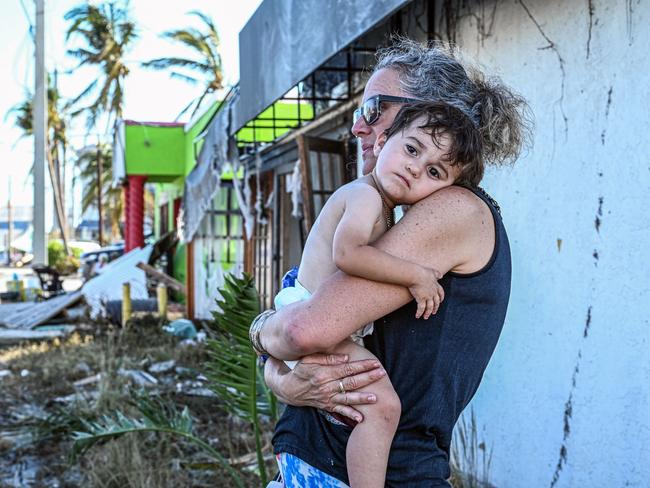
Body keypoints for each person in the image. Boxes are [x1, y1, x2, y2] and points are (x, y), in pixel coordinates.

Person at [251, 38, 530, 487]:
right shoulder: (386, 212)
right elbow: (309, 338)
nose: (359, 127)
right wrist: (281, 375)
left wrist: (265, 334)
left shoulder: (455, 210)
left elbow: (303, 330)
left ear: (431, 113)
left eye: (375, 107)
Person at [269, 100, 483, 488]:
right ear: (383, 143)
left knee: (363, 405)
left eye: (434, 171)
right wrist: (415, 275)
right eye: (412, 149)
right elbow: (348, 254)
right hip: (308, 311)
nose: (415, 168)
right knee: (383, 407)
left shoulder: (388, 209)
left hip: (314, 322)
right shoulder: (365, 196)